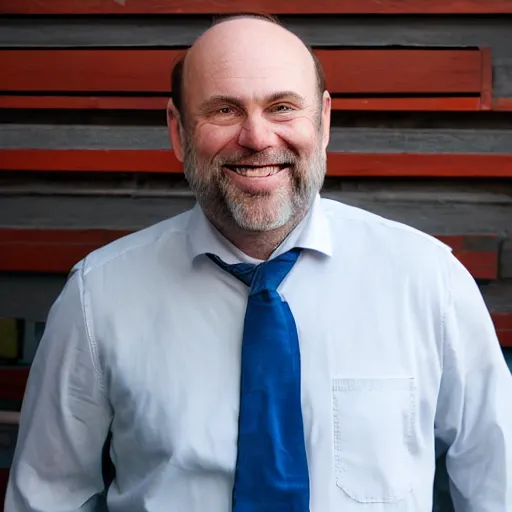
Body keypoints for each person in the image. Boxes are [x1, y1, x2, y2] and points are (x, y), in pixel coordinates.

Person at [6, 13, 512, 512]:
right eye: (224, 110)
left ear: (324, 120)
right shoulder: (98, 298)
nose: (257, 137)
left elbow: (498, 488)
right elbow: (47, 500)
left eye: (283, 107)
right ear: (178, 130)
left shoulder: (429, 283)